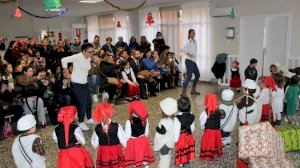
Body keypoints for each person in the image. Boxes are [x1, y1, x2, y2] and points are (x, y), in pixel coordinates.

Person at [61, 43, 94, 131]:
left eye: (92, 52)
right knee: (82, 103)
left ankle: (89, 118)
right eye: (89, 52)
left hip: (85, 83)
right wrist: (67, 72)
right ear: (83, 51)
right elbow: (63, 60)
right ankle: (81, 121)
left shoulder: (88, 57)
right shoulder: (77, 56)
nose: (91, 54)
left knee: (89, 101)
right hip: (76, 83)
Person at [91, 103, 126, 168]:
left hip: (104, 152)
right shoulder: (117, 126)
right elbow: (123, 140)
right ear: (111, 114)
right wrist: (124, 146)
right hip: (115, 150)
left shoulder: (97, 128)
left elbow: (94, 144)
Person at [124, 101, 155, 168]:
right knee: (144, 157)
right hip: (143, 141)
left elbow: (127, 136)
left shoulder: (129, 122)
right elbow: (146, 132)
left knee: (135, 159)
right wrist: (143, 139)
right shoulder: (145, 120)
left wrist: (126, 146)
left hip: (133, 143)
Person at [199, 93, 224, 160]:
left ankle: (208, 154)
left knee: (208, 143)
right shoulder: (218, 110)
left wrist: (203, 127)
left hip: (209, 132)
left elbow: (202, 122)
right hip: (217, 131)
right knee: (216, 141)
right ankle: (216, 151)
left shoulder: (205, 113)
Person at [154, 98, 177, 168]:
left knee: (164, 156)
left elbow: (159, 135)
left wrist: (157, 144)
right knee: (168, 152)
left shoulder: (163, 122)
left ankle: (164, 166)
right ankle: (168, 159)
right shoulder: (175, 119)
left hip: (164, 143)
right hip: (171, 142)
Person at [173, 96, 195, 167]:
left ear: (178, 107)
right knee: (187, 149)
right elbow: (193, 128)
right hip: (189, 136)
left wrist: (175, 140)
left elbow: (176, 131)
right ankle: (187, 160)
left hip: (181, 138)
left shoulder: (177, 118)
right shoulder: (191, 115)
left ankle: (182, 162)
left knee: (181, 150)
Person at [181, 29, 200, 96]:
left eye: (194, 33)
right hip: (189, 61)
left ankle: (193, 90)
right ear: (189, 34)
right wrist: (188, 54)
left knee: (197, 75)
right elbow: (182, 48)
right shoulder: (188, 41)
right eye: (192, 33)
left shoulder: (195, 41)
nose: (193, 34)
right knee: (189, 76)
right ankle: (183, 92)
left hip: (193, 61)